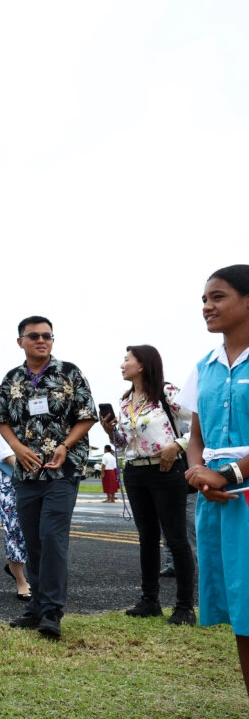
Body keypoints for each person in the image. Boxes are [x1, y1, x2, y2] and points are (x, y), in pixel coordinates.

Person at [0, 315, 97, 640]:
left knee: (52, 537)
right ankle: (36, 606)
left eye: (47, 336)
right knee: (33, 540)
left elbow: (87, 415)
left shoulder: (70, 373)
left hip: (63, 469)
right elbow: (0, 417)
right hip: (26, 472)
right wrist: (17, 447)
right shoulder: (12, 379)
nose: (42, 340)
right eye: (34, 336)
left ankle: (52, 611)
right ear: (20, 341)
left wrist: (65, 445)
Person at [179, 264, 249, 695]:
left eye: (217, 296)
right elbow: (195, 438)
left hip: (239, 489)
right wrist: (198, 474)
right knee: (241, 611)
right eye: (204, 299)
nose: (207, 306)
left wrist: (228, 474)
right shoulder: (204, 366)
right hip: (219, 500)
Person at [99, 345, 195, 625]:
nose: (122, 364)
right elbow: (124, 442)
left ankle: (184, 606)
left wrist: (177, 445)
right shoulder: (126, 399)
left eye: (126, 359)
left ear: (142, 365)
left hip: (166, 471)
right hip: (136, 472)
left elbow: (201, 424)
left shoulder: (167, 393)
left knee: (176, 539)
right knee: (147, 539)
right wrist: (110, 431)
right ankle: (150, 600)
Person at [0, 427, 31, 601]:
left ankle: (19, 568)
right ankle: (21, 580)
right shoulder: (0, 412)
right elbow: (5, 452)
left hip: (37, 476)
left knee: (36, 529)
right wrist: (32, 471)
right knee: (14, 529)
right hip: (10, 478)